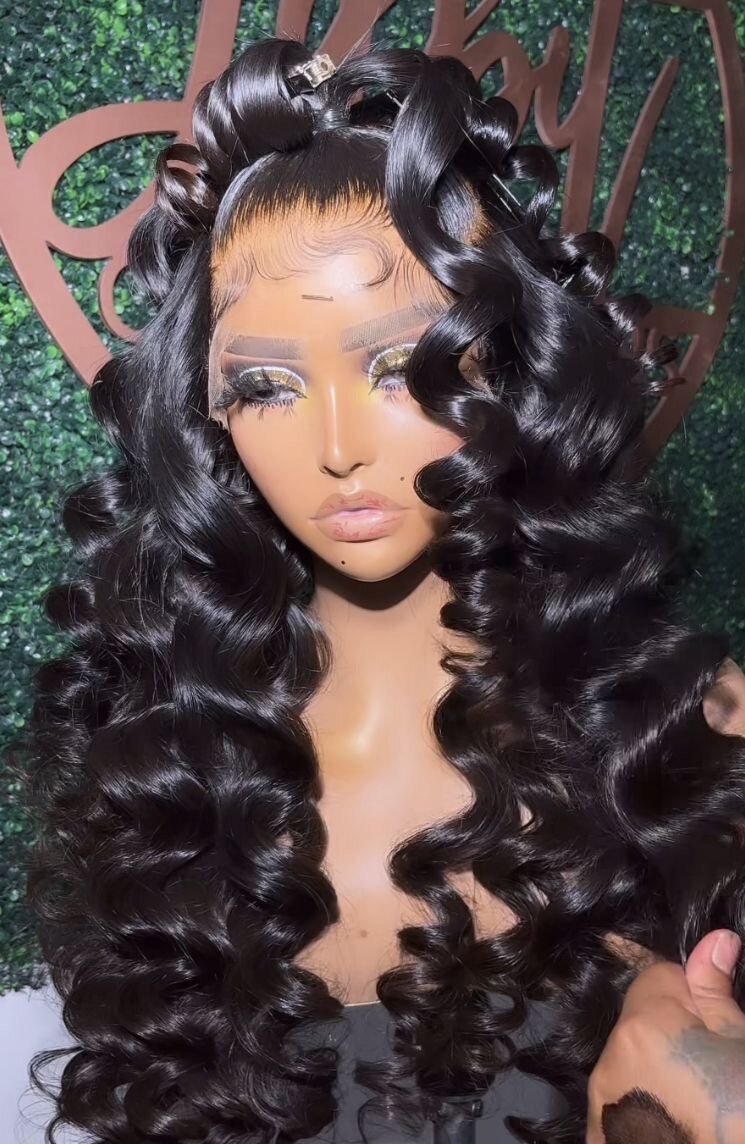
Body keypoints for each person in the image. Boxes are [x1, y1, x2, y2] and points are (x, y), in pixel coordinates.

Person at [10, 36, 745, 1144]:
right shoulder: (156, 771)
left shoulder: (683, 737)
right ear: (205, 412)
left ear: (509, 360)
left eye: (405, 365)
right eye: (267, 384)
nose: (337, 446)